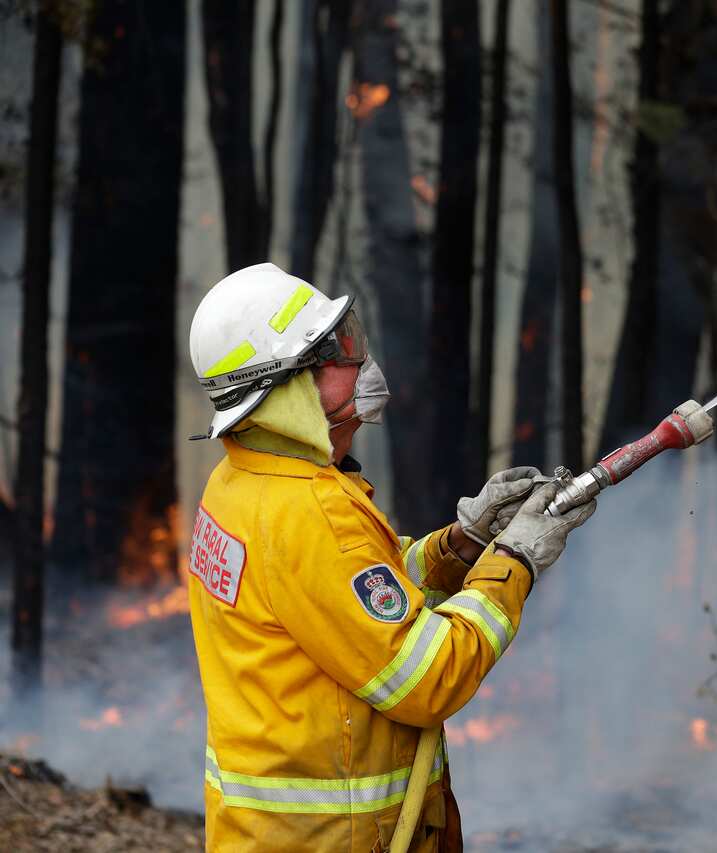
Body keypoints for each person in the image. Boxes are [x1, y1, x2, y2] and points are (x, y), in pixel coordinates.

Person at [185, 263, 595, 851]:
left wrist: (463, 543)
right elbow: (430, 679)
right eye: (333, 351)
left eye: (347, 337)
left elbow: (348, 598)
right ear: (287, 391)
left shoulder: (240, 482)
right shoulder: (308, 511)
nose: (357, 361)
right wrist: (515, 559)